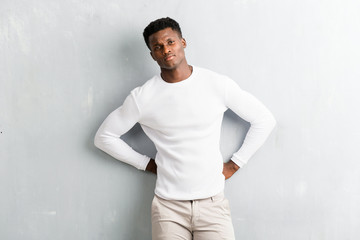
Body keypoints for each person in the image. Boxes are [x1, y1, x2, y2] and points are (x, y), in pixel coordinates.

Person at [94, 17, 276, 240]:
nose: (166, 50)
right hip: (168, 207)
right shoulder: (143, 97)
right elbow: (104, 137)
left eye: (170, 42)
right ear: (152, 55)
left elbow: (264, 119)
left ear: (183, 42)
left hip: (213, 203)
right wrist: (146, 164)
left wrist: (236, 163)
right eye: (158, 47)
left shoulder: (216, 84)